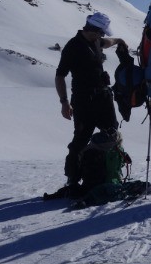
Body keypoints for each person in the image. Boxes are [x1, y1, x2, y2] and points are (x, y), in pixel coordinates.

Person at [53, 12, 127, 195]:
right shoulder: (73, 46)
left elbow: (106, 43)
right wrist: (64, 102)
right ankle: (73, 179)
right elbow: (60, 75)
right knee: (80, 138)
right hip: (83, 101)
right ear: (92, 29)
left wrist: (119, 41)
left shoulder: (96, 41)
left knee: (112, 134)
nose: (102, 36)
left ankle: (108, 172)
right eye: (100, 32)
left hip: (103, 98)